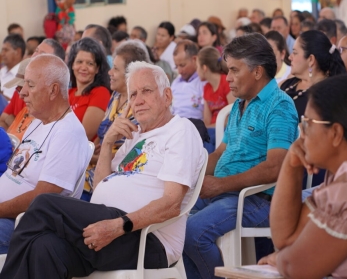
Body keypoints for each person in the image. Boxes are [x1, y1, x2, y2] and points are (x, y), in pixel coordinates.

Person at [0, 61, 206, 278]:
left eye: (146, 91)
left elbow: (172, 204)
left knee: (43, 204)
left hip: (146, 238)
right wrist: (107, 143)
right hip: (104, 228)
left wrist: (119, 226)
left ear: (167, 96)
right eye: (133, 94)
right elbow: (100, 186)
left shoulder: (180, 130)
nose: (138, 100)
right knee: (44, 247)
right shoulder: (133, 135)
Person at [259, 75, 347, 278]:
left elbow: (297, 267)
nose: (301, 131)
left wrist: (280, 259)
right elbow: (286, 238)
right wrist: (291, 163)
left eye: (308, 123)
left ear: (335, 133)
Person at [183, 33, 299, 279]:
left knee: (193, 232)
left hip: (259, 199)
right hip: (229, 194)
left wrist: (220, 185)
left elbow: (277, 167)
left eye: (235, 70)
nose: (229, 78)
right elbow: (221, 152)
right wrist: (193, 176)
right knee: (174, 224)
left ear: (257, 72)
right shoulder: (240, 103)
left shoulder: (280, 105)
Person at [0, 54, 90, 255]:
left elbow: (43, 197)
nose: (22, 93)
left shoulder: (68, 132)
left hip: (25, 227)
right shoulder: (39, 121)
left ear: (53, 90)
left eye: (30, 85)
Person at [82, 41, 147, 201]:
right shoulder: (116, 96)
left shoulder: (140, 107)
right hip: (97, 162)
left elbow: (128, 157)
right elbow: (103, 133)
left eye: (115, 69)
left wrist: (89, 158)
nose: (109, 72)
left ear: (130, 74)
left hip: (114, 173)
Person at [0, 39, 65, 132]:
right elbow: (2, 120)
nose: (35, 56)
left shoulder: (51, 97)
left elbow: (33, 134)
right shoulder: (21, 87)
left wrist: (13, 121)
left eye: (42, 54)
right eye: (36, 51)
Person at [281, 30, 347, 121]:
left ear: (311, 59)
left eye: (295, 53)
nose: (289, 57)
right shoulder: (286, 83)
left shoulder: (325, 94)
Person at [67, 37, 111, 142]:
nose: (83, 67)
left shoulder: (101, 93)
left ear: (97, 69)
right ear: (72, 64)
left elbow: (83, 136)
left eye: (90, 63)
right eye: (79, 62)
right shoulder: (67, 93)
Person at [196, 46, 235, 152]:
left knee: (210, 136)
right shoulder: (206, 88)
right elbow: (207, 120)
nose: (197, 71)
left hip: (227, 128)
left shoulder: (226, 82)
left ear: (204, 68)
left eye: (197, 67)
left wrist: (216, 126)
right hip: (213, 129)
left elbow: (235, 113)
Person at [171, 40, 205, 119]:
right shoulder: (175, 83)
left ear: (194, 59)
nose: (179, 71)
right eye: (176, 66)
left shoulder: (203, 81)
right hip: (175, 125)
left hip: (196, 125)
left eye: (182, 65)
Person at [0, 34, 25, 100]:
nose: (2, 53)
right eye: (2, 50)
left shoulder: (24, 75)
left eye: (6, 50)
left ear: (17, 52)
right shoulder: (2, 71)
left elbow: (18, 104)